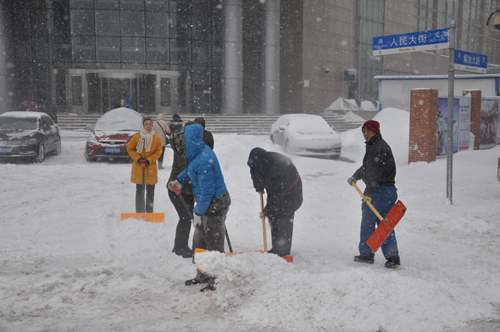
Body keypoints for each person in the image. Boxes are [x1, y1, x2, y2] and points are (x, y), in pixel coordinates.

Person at [169, 123, 230, 292]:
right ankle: (203, 273)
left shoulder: (204, 160)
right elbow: (190, 169)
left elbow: (208, 192)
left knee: (213, 242)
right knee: (199, 241)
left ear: (190, 142)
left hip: (215, 204)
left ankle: (216, 279)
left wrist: (197, 212)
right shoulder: (197, 153)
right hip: (206, 204)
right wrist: (179, 180)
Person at [347, 120, 400, 268]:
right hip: (389, 191)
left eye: (369, 131)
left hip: (379, 192)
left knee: (368, 223)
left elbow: (373, 173)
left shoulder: (377, 148)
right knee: (385, 224)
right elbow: (368, 167)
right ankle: (392, 256)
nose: (365, 134)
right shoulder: (378, 146)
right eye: (364, 131)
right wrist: (356, 176)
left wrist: (369, 192)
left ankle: (366, 254)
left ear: (375, 131)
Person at [247, 147, 302, 257]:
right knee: (273, 217)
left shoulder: (280, 169)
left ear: (263, 163)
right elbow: (254, 173)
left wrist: (267, 210)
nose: (254, 168)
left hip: (291, 194)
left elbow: (277, 195)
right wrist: (258, 186)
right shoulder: (256, 163)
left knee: (283, 219)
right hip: (276, 191)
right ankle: (276, 248)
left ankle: (283, 252)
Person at [127, 118, 163, 213]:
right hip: (139, 168)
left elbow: (158, 151)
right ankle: (139, 211)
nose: (148, 126)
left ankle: (149, 212)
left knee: (150, 191)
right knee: (139, 191)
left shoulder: (156, 138)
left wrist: (149, 160)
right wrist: (138, 158)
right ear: (143, 126)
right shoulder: (137, 137)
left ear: (152, 126)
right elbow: (130, 149)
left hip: (150, 168)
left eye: (150, 124)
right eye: (146, 124)